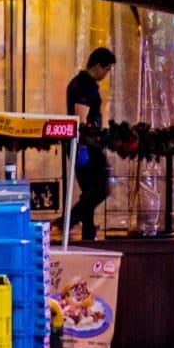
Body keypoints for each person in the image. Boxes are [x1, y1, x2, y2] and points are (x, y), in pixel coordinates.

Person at [66, 47, 116, 240]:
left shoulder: (85, 84)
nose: (106, 74)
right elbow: (80, 115)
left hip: (86, 142)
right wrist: (83, 146)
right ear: (97, 65)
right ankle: (70, 219)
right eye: (107, 69)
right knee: (101, 187)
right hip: (86, 143)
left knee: (90, 189)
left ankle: (87, 229)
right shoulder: (82, 85)